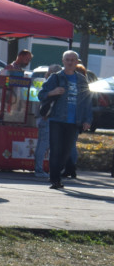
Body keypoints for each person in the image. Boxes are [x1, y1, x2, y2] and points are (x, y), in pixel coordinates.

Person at [37, 50, 92, 191]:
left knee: (67, 151)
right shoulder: (56, 78)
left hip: (75, 121)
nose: (70, 62)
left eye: (73, 59)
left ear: (76, 62)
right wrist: (52, 92)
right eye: (67, 59)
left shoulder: (81, 79)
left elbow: (86, 101)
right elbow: (41, 94)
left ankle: (57, 172)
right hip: (57, 119)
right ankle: (55, 179)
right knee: (55, 150)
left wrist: (87, 119)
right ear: (63, 61)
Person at [33, 64, 60, 178]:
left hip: (42, 116)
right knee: (44, 144)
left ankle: (38, 168)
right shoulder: (53, 85)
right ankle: (39, 169)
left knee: (41, 143)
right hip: (47, 117)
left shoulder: (46, 82)